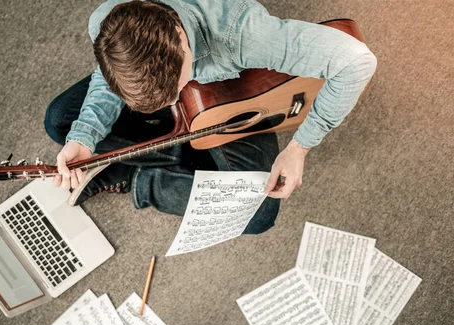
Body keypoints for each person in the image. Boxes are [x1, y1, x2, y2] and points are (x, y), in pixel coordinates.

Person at [44, 0, 376, 234]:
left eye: (176, 89)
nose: (172, 101)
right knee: (61, 121)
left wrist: (300, 147)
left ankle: (137, 176)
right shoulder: (105, 20)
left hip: (234, 94)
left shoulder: (245, 35)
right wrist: (84, 136)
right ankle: (177, 146)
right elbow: (107, 77)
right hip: (200, 102)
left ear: (182, 44)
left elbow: (356, 62)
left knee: (258, 213)